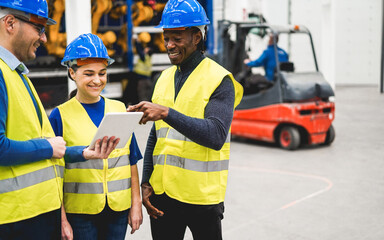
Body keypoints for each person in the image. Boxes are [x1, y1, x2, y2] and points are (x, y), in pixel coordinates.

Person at [127, 0, 243, 239]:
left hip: (202, 198)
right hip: (164, 196)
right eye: (166, 37)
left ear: (196, 37)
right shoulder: (164, 77)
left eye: (177, 38)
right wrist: (147, 181)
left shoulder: (219, 80)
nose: (169, 45)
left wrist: (167, 113)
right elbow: (156, 135)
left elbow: (215, 135)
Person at [49, 33, 143, 240]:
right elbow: (53, 171)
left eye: (102, 73)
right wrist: (61, 219)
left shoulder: (119, 109)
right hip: (80, 212)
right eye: (89, 74)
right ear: (72, 73)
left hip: (118, 208)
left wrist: (136, 204)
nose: (97, 80)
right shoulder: (60, 115)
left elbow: (132, 160)